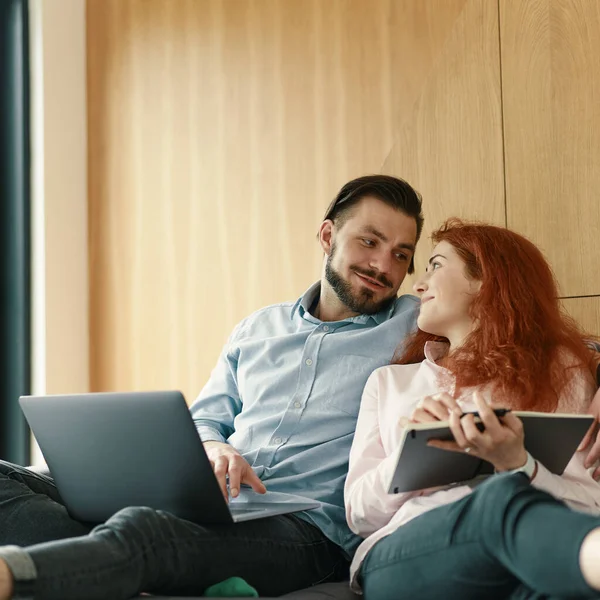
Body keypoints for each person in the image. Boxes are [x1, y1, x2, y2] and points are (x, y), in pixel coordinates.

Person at [0, 174, 424, 600]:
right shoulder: (257, 329)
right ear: (328, 235)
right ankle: (111, 561)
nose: (383, 267)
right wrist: (215, 447)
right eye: (369, 242)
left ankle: (33, 573)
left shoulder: (415, 325)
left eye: (401, 255)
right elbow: (206, 417)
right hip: (214, 505)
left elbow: (475, 314)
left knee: (145, 532)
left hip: (308, 531)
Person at [345, 219, 600, 600]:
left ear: (486, 280)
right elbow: (358, 515)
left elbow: (591, 504)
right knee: (497, 499)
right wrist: (412, 456)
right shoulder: (389, 382)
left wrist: (520, 466)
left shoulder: (563, 371)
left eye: (435, 265)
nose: (418, 284)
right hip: (405, 554)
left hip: (529, 557)